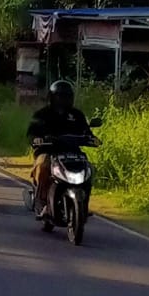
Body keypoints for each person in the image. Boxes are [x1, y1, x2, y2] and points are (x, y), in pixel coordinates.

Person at [26, 79, 94, 219]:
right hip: (48, 152)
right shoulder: (42, 114)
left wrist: (91, 138)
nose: (62, 100)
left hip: (72, 152)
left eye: (66, 96)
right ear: (51, 97)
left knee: (89, 169)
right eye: (59, 96)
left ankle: (83, 205)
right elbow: (32, 132)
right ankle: (42, 202)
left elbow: (86, 131)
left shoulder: (77, 115)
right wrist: (36, 139)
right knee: (43, 165)